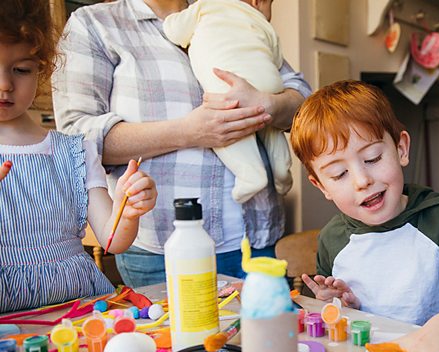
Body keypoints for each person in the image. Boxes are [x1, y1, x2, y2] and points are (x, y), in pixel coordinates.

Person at [52, 0, 311, 287]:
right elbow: (75, 139)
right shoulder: (97, 24)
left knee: (264, 331)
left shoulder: (224, 8)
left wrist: (267, 105)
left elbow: (304, 101)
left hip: (256, 237)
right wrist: (188, 132)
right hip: (161, 248)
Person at [289, 80, 439, 352]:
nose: (362, 180)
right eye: (339, 174)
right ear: (321, 186)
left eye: (373, 158)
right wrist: (336, 305)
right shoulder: (332, 239)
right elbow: (333, 317)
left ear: (401, 149)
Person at [0, 0, 158, 313]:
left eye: (21, 70)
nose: (5, 85)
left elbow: (111, 240)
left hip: (82, 306)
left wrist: (127, 208)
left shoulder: (74, 149)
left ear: (42, 70)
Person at [163, 0, 292, 204]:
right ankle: (282, 170)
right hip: (269, 82)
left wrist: (171, 21)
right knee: (269, 127)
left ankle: (250, 174)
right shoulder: (262, 23)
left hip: (228, 86)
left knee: (229, 126)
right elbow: (275, 59)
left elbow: (175, 33)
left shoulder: (204, 7)